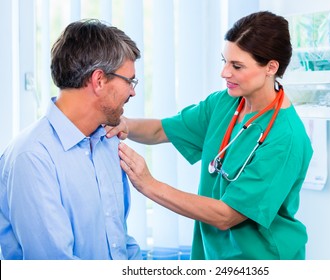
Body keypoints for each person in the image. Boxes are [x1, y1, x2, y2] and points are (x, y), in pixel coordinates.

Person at [108, 11, 313, 260]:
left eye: (237, 66)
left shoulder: (286, 138)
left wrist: (149, 185)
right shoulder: (225, 104)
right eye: (224, 61)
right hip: (212, 256)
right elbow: (162, 129)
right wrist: (124, 124)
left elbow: (226, 215)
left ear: (271, 67)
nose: (224, 73)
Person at [0, 19, 142, 260]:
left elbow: (120, 244)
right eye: (129, 81)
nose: (133, 92)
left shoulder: (109, 145)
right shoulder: (33, 158)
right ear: (99, 81)